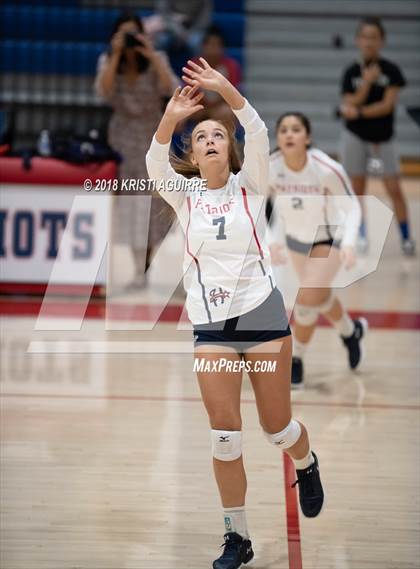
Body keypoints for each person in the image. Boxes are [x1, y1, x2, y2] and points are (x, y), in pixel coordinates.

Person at [146, 58, 324, 569]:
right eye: (200, 136)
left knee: (277, 429)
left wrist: (224, 87)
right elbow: (155, 163)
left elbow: (258, 129)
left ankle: (306, 462)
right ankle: (236, 537)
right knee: (225, 436)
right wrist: (171, 117)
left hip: (263, 318)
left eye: (217, 135)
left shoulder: (251, 184)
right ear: (195, 155)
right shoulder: (185, 197)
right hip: (212, 328)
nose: (208, 140)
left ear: (229, 150)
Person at [267, 112, 366, 389]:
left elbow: (352, 206)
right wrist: (271, 240)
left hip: (329, 239)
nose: (289, 134)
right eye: (283, 129)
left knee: (307, 297)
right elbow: (255, 209)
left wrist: (348, 244)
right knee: (319, 297)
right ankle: (351, 332)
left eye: (296, 129)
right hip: (294, 241)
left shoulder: (326, 168)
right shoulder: (271, 167)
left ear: (307, 138)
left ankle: (296, 359)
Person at [94, 12, 179, 289]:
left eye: (134, 34)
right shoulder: (108, 61)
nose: (130, 40)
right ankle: (138, 270)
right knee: (131, 203)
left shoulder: (157, 60)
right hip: (122, 140)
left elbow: (173, 89)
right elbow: (103, 93)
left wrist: (152, 54)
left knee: (156, 203)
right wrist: (116, 54)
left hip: (153, 137)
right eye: (124, 34)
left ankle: (149, 262)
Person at [339, 16, 415, 256]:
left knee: (394, 187)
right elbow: (349, 101)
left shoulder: (392, 71)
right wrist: (366, 84)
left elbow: (386, 106)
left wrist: (358, 111)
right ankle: (360, 235)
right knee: (357, 188)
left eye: (374, 37)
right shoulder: (351, 72)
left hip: (384, 138)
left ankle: (406, 237)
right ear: (357, 40)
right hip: (355, 137)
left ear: (381, 41)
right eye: (364, 37)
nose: (369, 42)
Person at [191, 25, 242, 123]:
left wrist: (211, 109)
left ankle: (226, 137)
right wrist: (203, 108)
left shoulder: (231, 66)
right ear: (203, 46)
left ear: (223, 48)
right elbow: (190, 91)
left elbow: (232, 92)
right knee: (181, 112)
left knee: (226, 112)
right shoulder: (193, 65)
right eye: (210, 45)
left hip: (220, 107)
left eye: (216, 45)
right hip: (198, 107)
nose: (213, 49)